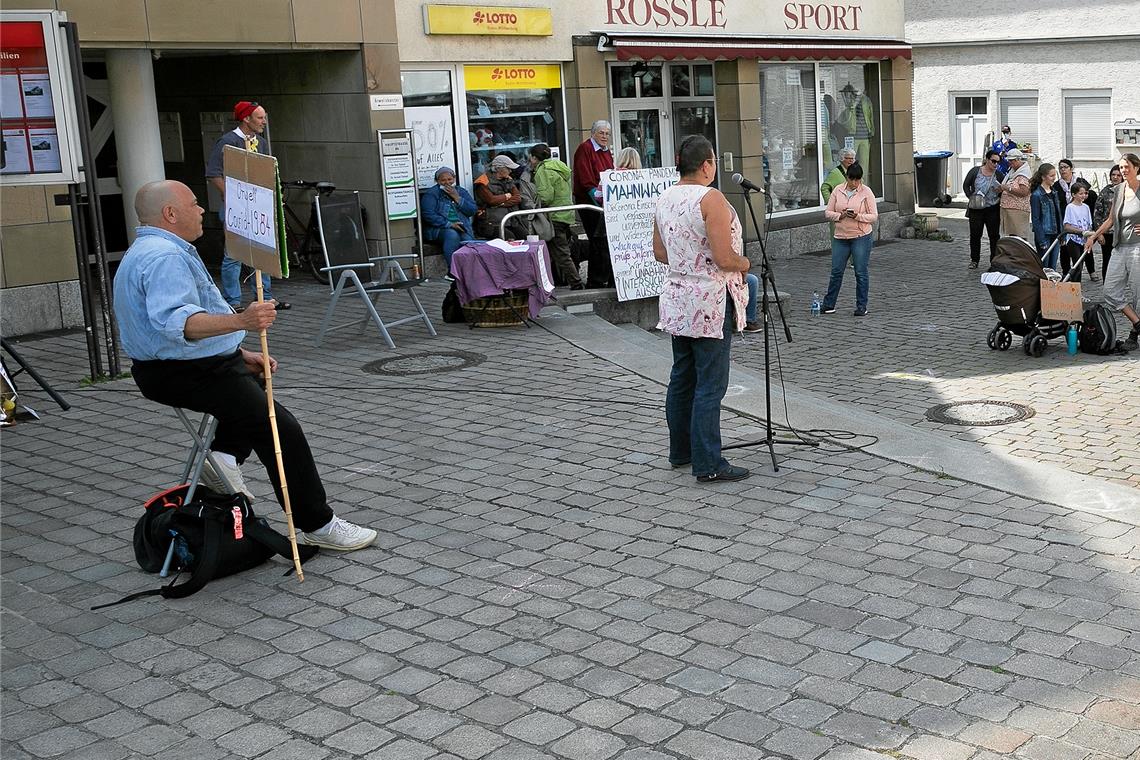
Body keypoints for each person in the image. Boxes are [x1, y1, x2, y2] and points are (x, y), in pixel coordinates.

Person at [113, 180, 377, 551]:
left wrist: (238, 353)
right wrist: (243, 322)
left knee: (255, 386)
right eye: (193, 203)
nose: (203, 210)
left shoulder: (153, 249)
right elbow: (179, 324)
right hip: (181, 372)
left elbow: (176, 330)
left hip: (192, 365)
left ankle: (223, 457)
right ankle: (317, 523)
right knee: (281, 429)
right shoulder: (163, 257)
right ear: (170, 214)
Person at [653, 135, 751, 483]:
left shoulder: (665, 197)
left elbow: (660, 253)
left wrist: (686, 261)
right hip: (709, 300)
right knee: (710, 384)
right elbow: (724, 258)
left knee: (682, 377)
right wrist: (745, 262)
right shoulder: (711, 198)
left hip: (678, 297)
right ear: (707, 164)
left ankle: (680, 451)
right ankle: (708, 462)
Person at [205, 101, 289, 311]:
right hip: (237, 207)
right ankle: (232, 301)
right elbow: (213, 172)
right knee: (233, 253)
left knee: (262, 248)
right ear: (246, 119)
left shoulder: (260, 142)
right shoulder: (227, 141)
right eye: (260, 118)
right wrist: (230, 195)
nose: (264, 122)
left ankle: (264, 296)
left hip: (257, 205)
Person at [1085, 152, 1140, 351]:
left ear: (1136, 168)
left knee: (1138, 294)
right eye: (1121, 167)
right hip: (1119, 246)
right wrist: (1093, 235)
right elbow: (1110, 219)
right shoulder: (1118, 190)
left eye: (1127, 167)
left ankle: (1134, 336)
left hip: (1137, 248)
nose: (1123, 171)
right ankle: (1137, 323)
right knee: (1110, 291)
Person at [820, 163, 878, 317]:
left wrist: (858, 216)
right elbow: (828, 213)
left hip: (861, 236)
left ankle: (861, 306)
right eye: (852, 180)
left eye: (858, 180)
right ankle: (829, 304)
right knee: (836, 271)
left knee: (860, 272)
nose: (855, 183)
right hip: (841, 236)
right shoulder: (838, 190)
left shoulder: (866, 192)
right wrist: (841, 215)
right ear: (847, 178)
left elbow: (873, 216)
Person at [529, 143, 584, 289]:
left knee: (560, 252)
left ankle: (576, 282)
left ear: (535, 158)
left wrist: (535, 201)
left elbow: (546, 196)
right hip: (566, 213)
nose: (530, 162)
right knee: (556, 251)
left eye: (531, 158)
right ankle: (552, 281)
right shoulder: (559, 166)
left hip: (553, 216)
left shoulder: (542, 170)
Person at [573, 120, 615, 288]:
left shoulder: (605, 151)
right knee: (597, 240)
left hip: (603, 201)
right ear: (593, 133)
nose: (605, 136)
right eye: (601, 133)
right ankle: (595, 280)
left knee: (603, 242)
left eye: (607, 134)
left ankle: (602, 277)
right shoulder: (585, 149)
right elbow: (586, 180)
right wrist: (599, 201)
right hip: (590, 201)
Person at [422, 166, 478, 272]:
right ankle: (452, 271)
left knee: (469, 241)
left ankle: (470, 271)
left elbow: (472, 210)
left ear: (454, 179)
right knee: (452, 234)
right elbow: (428, 215)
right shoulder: (432, 194)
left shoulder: (461, 191)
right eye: (443, 180)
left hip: (461, 226)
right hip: (439, 229)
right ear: (437, 181)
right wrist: (449, 224)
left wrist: (457, 198)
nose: (447, 183)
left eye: (449, 179)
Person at [963, 149, 1005, 268]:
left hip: (992, 208)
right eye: (993, 161)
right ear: (987, 160)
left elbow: (1004, 190)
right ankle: (974, 260)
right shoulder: (975, 171)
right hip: (976, 209)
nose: (995, 164)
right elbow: (966, 185)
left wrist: (1000, 192)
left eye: (998, 162)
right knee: (975, 235)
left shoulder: (999, 175)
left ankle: (994, 261)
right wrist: (971, 197)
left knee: (994, 236)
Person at [475, 154, 524, 239]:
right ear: (498, 168)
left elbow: (518, 198)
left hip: (510, 220)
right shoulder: (483, 182)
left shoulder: (508, 179)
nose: (510, 171)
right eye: (508, 168)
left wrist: (500, 204)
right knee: (510, 238)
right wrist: (506, 196)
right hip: (491, 223)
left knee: (525, 235)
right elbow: (491, 200)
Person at [1030, 163, 1063, 270]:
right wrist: (1041, 240)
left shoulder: (1054, 192)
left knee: (1052, 266)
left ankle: (1050, 286)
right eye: (1051, 175)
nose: (1054, 178)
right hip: (1045, 234)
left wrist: (1062, 233)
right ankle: (1042, 286)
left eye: (1055, 175)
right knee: (1044, 265)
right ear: (1043, 177)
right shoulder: (1037, 195)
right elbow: (1035, 219)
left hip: (1056, 234)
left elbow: (1058, 214)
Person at [1093, 165, 1124, 281]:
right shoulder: (1105, 192)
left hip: (1122, 233)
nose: (1115, 177)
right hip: (1107, 233)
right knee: (1107, 260)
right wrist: (1099, 233)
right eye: (1113, 175)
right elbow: (1097, 214)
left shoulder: (1127, 191)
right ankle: (1107, 283)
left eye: (1118, 175)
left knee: (1121, 261)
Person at [839, 84, 875, 182]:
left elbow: (870, 116)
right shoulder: (849, 102)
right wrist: (851, 104)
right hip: (853, 136)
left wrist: (872, 131)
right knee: (849, 162)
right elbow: (845, 119)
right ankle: (849, 184)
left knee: (864, 164)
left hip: (865, 136)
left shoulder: (866, 101)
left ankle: (864, 187)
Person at [997, 148, 1032, 240]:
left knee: (1018, 238)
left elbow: (1024, 192)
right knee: (1011, 237)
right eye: (1009, 161)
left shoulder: (1023, 174)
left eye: (1011, 161)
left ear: (1018, 160)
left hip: (1018, 211)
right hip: (1010, 210)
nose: (1009, 163)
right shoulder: (1013, 171)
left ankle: (1018, 254)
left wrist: (1007, 188)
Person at [1061, 183, 1093, 282]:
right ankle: (1074, 287)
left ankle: (1076, 288)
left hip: (1083, 241)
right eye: (1080, 193)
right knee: (1077, 265)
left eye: (1085, 193)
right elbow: (1067, 226)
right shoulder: (1070, 207)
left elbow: (1089, 224)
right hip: (1073, 239)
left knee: (1080, 266)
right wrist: (1081, 231)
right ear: (1074, 194)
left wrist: (1089, 234)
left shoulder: (1086, 207)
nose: (1083, 195)